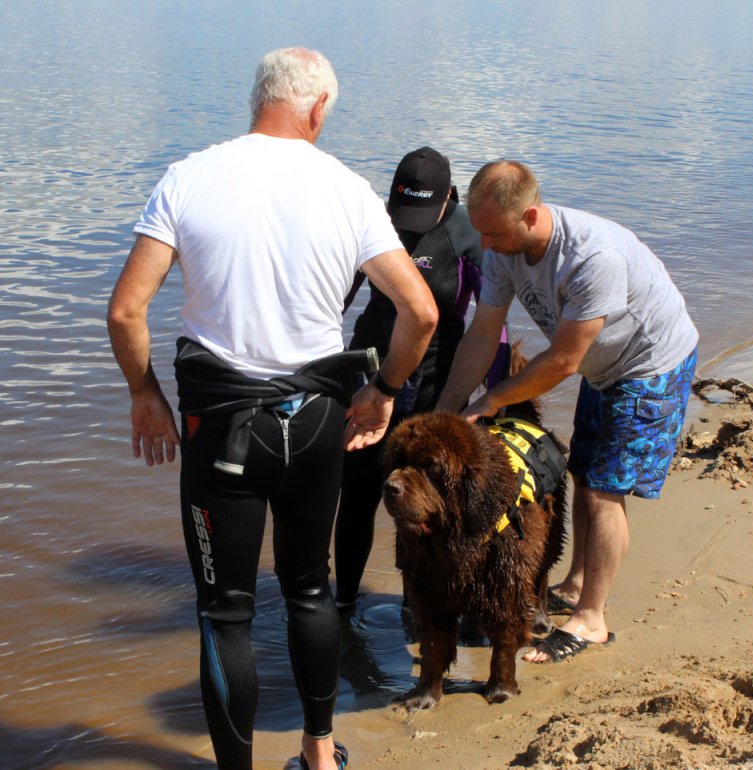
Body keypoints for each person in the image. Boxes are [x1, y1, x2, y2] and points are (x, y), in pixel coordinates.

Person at [106, 47, 437, 770]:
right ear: (317, 109)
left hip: (221, 427)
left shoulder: (188, 178)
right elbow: (420, 310)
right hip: (317, 422)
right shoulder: (348, 190)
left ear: (258, 98)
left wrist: (145, 397)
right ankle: (320, 756)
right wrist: (380, 394)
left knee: (226, 612)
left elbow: (128, 310)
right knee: (309, 589)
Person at [436, 159, 698, 664]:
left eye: (493, 233)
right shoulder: (501, 248)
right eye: (479, 232)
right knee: (581, 471)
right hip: (603, 368)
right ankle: (577, 583)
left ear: (530, 216)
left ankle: (591, 620)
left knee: (604, 490)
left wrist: (491, 401)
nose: (484, 246)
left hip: (650, 365)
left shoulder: (590, 257)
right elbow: (483, 332)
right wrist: (449, 405)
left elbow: (561, 361)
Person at [333, 146, 500, 609]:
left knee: (427, 503)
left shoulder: (468, 235)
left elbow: (493, 321)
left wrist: (495, 391)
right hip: (369, 372)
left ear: (449, 196)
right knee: (358, 495)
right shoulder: (374, 220)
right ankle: (344, 600)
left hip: (435, 380)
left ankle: (421, 604)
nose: (410, 222)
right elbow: (334, 300)